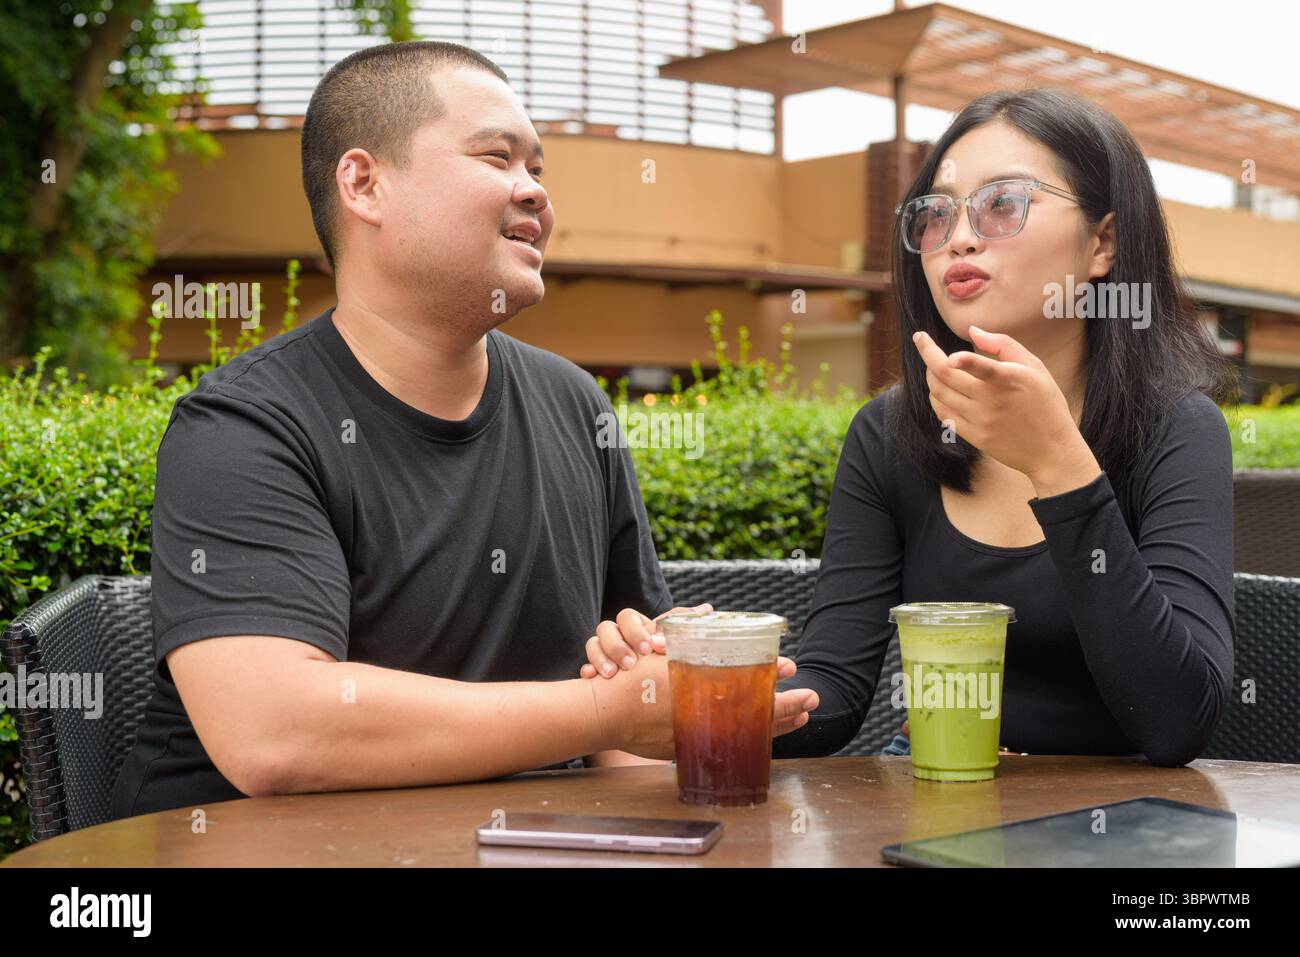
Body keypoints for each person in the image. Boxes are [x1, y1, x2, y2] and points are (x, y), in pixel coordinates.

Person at [110, 40, 818, 820]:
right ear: (365, 183)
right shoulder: (244, 424)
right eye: (496, 157)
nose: (535, 191)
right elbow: (274, 735)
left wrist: (672, 697)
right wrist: (608, 712)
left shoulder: (574, 405)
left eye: (538, 169)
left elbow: (623, 728)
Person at [582, 88, 1238, 768]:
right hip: (939, 793)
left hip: (1126, 811)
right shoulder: (891, 433)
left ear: (1103, 243)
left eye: (1003, 203)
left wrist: (1060, 468)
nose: (959, 237)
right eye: (937, 213)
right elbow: (835, 691)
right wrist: (703, 677)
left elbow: (1177, 721)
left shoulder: (1175, 429)